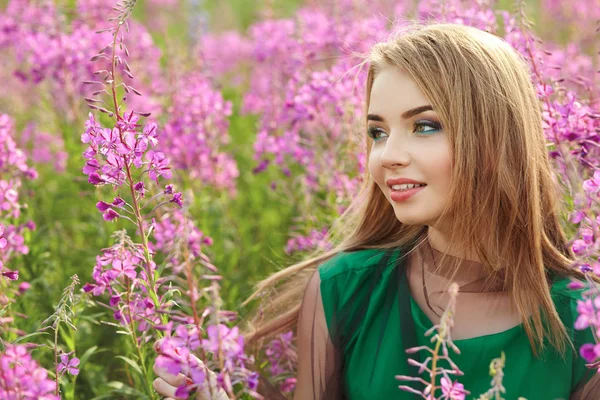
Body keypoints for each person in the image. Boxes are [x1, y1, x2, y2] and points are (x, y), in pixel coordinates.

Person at [153, 22, 600, 399]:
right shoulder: (344, 292)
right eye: (377, 132)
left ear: (496, 137)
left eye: (424, 126)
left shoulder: (584, 325)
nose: (388, 156)